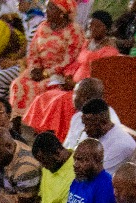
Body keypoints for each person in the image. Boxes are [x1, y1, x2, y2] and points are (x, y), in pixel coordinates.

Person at [21, 11, 119, 141]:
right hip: (73, 84)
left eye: (97, 26)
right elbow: (77, 63)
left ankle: (57, 137)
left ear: (106, 29)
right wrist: (68, 77)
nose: (92, 29)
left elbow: (100, 78)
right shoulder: (87, 43)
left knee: (60, 101)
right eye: (90, 25)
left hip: (87, 90)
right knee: (45, 96)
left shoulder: (109, 50)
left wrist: (77, 85)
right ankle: (42, 134)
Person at [9, 0, 84, 116]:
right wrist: (34, 68)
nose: (45, 11)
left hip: (61, 73)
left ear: (62, 13)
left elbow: (69, 59)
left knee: (42, 87)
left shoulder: (74, 30)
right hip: (39, 70)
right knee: (18, 83)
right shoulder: (43, 27)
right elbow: (33, 51)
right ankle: (16, 121)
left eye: (50, 8)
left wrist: (46, 73)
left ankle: (40, 127)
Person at [74, 98, 136, 176]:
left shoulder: (121, 145)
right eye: (84, 124)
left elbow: (97, 177)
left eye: (89, 125)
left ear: (103, 122)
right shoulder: (94, 135)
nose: (85, 129)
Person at [31, 131, 75, 203]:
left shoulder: (75, 175)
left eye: (44, 162)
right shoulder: (50, 166)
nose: (43, 166)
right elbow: (40, 198)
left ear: (58, 154)